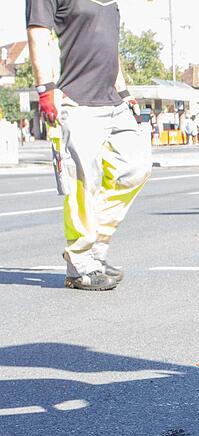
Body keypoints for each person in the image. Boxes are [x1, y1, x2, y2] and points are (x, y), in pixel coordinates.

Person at [26, 0, 152, 291]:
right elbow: (38, 33)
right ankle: (80, 262)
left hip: (113, 100)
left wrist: (125, 92)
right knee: (83, 181)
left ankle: (97, 245)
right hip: (75, 100)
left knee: (136, 167)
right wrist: (45, 90)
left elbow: (110, 50)